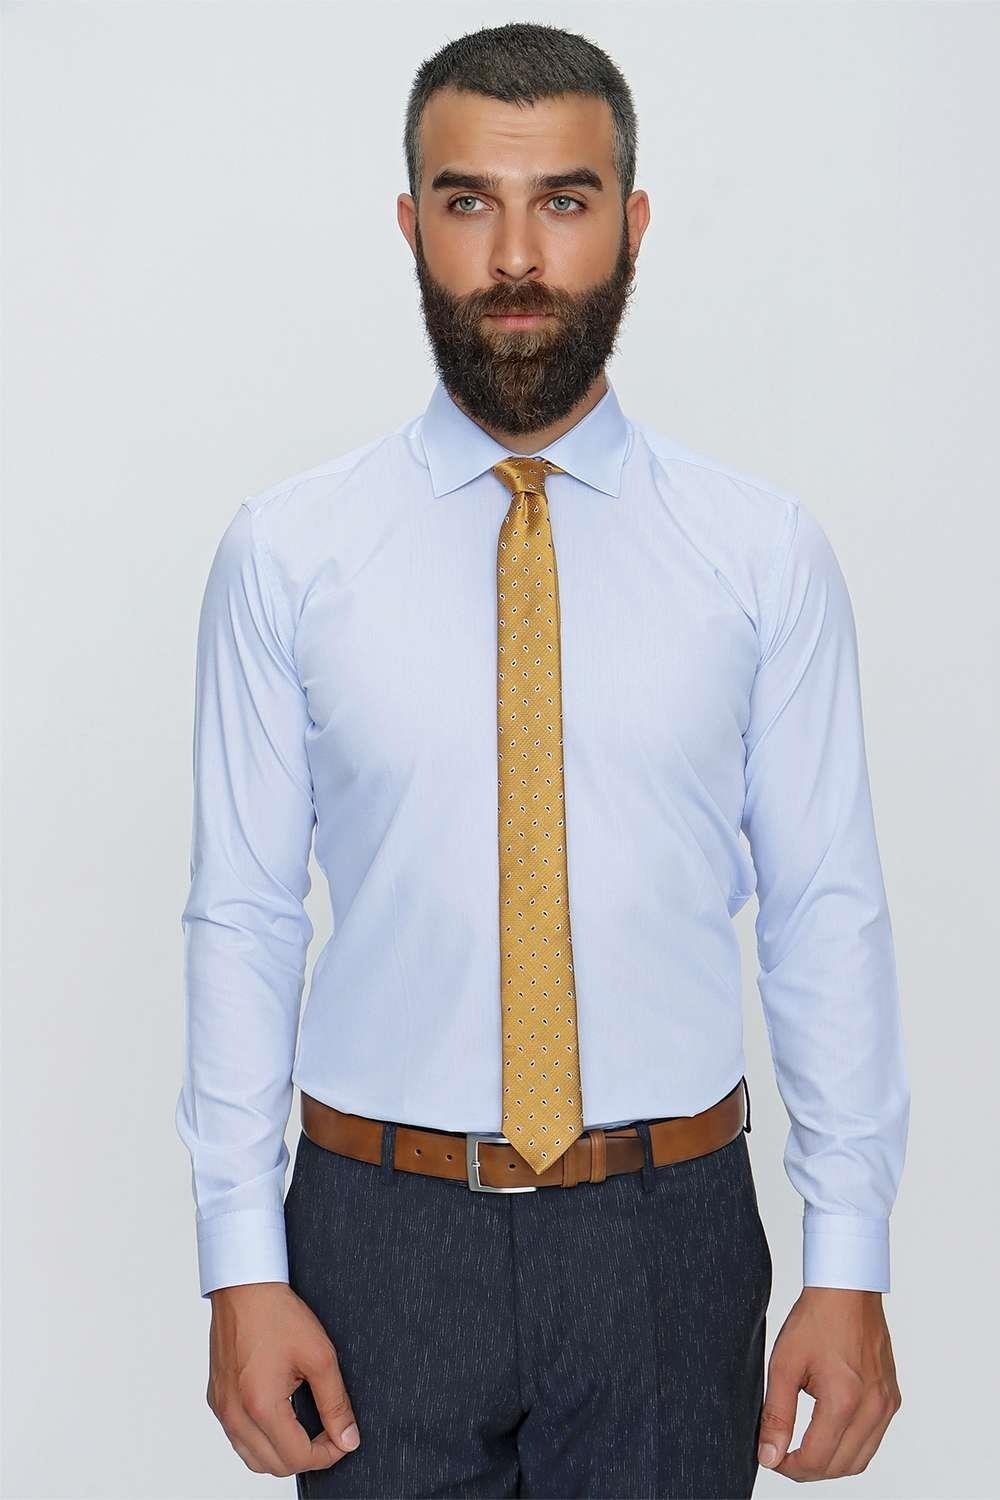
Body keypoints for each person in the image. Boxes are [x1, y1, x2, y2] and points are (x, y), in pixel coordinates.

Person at [175, 20, 910, 1499]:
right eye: (470, 202)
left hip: (668, 1234)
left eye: (563, 202)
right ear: (411, 223)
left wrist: (850, 1260)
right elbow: (243, 917)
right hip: (377, 1236)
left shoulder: (760, 556)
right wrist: (238, 1259)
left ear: (631, 222)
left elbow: (823, 910)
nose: (516, 256)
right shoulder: (289, 556)